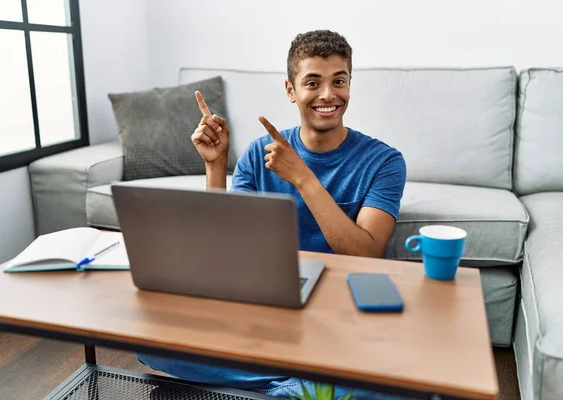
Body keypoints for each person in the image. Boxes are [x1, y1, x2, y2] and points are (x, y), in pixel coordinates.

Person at [138, 30, 407, 399]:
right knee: (148, 342)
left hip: (338, 308)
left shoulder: (385, 162)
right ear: (291, 90)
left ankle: (277, 380)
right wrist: (216, 168)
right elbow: (224, 246)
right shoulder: (257, 153)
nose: (329, 95)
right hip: (268, 306)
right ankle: (296, 385)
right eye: (313, 82)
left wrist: (302, 177)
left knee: (406, 385)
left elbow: (366, 253)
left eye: (339, 81)